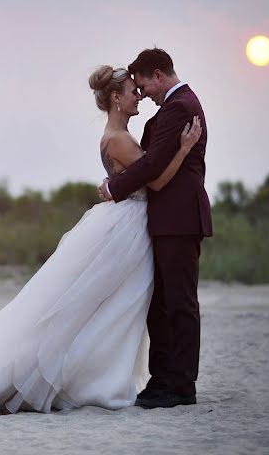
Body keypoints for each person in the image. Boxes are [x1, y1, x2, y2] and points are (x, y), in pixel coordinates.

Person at [0, 65, 201, 418]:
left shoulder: (118, 134)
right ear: (116, 98)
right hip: (128, 226)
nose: (139, 95)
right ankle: (95, 378)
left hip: (130, 223)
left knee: (116, 306)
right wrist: (184, 149)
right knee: (104, 305)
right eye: (132, 91)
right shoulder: (118, 139)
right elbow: (152, 180)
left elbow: (142, 173)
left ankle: (116, 376)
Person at [99, 47, 212, 409]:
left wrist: (113, 187)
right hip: (167, 218)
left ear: (158, 75)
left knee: (179, 303)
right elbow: (152, 162)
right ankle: (163, 379)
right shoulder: (173, 110)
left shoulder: (180, 107)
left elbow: (155, 167)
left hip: (179, 217)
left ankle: (180, 385)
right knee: (162, 304)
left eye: (144, 84)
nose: (143, 92)